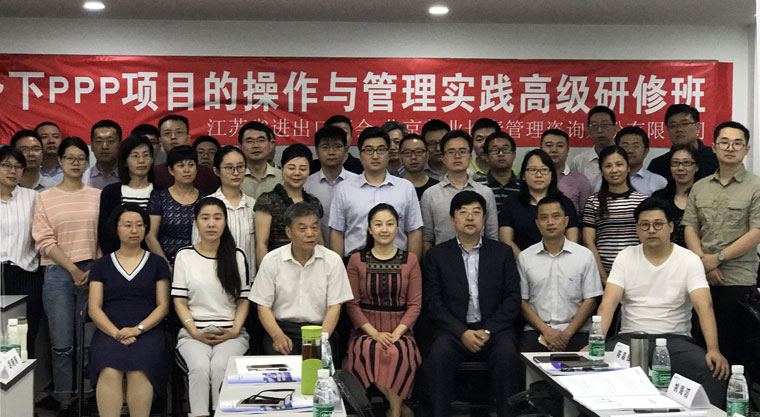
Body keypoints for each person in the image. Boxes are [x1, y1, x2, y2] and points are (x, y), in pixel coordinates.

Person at [592, 198, 730, 407]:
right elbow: (608, 305)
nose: (651, 230)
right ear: (637, 229)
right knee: (592, 368)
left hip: (676, 341)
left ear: (671, 227)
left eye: (658, 224)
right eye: (644, 225)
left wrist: (713, 349)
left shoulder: (689, 259)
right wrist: (595, 343)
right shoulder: (625, 257)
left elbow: (704, 306)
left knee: (713, 369)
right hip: (630, 339)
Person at [423, 191, 522, 417]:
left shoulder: (502, 253)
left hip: (494, 330)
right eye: (463, 212)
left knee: (507, 355)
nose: (470, 218)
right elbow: (434, 303)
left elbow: (512, 299)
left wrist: (488, 330)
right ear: (452, 219)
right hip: (453, 331)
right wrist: (462, 332)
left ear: (484, 219)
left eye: (476, 212)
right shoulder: (437, 255)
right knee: (438, 355)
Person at [683, 121, 760, 370]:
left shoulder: (756, 187)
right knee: (699, 345)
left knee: (734, 350)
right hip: (701, 276)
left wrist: (718, 259)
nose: (730, 147)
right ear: (714, 147)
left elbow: (757, 232)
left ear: (747, 149)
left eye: (737, 143)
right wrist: (703, 262)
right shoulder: (699, 186)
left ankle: (735, 395)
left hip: (737, 279)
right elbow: (690, 227)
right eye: (724, 142)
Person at [32, 136, 101, 415]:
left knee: (89, 340)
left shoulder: (97, 196)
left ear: (87, 162)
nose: (76, 163)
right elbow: (44, 240)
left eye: (81, 158)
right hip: (58, 273)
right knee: (61, 342)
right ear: (60, 161)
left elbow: (104, 237)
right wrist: (73, 269)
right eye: (70, 158)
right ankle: (64, 395)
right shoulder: (45, 198)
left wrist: (93, 268)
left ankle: (87, 392)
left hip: (93, 271)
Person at [88, 204, 170, 417]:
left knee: (140, 369)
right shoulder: (101, 265)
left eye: (139, 225)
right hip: (109, 332)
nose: (134, 230)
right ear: (116, 228)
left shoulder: (157, 263)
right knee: (109, 369)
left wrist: (137, 329)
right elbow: (94, 308)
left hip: (148, 331)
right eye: (127, 225)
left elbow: (163, 306)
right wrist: (116, 333)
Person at [172, 197, 251, 417]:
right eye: (205, 218)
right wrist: (194, 331)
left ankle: (221, 413)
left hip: (231, 333)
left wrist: (234, 330)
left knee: (220, 366)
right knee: (199, 367)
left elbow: (243, 300)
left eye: (217, 218)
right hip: (193, 333)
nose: (211, 224)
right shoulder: (184, 256)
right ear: (196, 222)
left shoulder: (237, 256)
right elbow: (179, 301)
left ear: (225, 222)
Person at [344, 203, 421, 417]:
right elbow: (352, 304)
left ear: (397, 228)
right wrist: (375, 334)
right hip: (365, 331)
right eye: (378, 224)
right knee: (371, 350)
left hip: (401, 331)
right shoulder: (356, 260)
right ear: (370, 229)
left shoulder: (411, 260)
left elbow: (415, 304)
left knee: (397, 352)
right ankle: (399, 409)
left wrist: (397, 333)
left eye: (390, 224)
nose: (384, 229)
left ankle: (394, 412)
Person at [250, 202, 353, 355]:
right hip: (282, 329)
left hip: (320, 330)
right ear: (289, 232)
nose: (310, 233)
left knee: (319, 362)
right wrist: (277, 336)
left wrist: (319, 340)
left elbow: (334, 307)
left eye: (314, 227)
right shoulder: (272, 260)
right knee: (279, 359)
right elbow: (263, 306)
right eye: (303, 229)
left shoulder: (333, 261)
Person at [518, 196, 602, 352]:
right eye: (544, 218)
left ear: (566, 220)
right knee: (523, 356)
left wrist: (566, 335)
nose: (550, 222)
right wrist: (547, 331)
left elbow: (590, 301)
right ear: (537, 223)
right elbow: (522, 302)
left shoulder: (584, 256)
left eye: (556, 216)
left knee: (588, 358)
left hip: (577, 330)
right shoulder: (525, 257)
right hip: (538, 330)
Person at [329, 127, 424, 260]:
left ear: (389, 153)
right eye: (368, 150)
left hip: (398, 263)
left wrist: (411, 266)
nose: (375, 156)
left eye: (381, 150)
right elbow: (337, 231)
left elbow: (414, 231)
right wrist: (338, 268)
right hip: (355, 263)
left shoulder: (405, 188)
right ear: (360, 154)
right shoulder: (344, 188)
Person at [421, 130, 499, 252]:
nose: (457, 156)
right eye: (451, 152)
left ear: (470, 157)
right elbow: (427, 238)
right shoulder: (430, 194)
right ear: (443, 158)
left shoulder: (486, 193)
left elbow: (492, 235)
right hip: (442, 260)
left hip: (480, 258)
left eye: (462, 151)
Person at [0, 146, 44, 360]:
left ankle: (22, 381)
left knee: (23, 337)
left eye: (18, 166)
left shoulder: (33, 197)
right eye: (6, 165)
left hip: (25, 274)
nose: (13, 171)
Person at [582, 145, 647, 281]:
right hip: (602, 276)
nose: (614, 170)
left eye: (619, 164)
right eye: (608, 166)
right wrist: (604, 279)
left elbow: (647, 241)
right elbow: (588, 242)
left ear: (628, 167)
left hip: (637, 276)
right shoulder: (593, 202)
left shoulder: (642, 202)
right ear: (601, 170)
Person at [499, 149, 579, 256]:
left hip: (561, 262)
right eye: (532, 170)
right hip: (521, 262)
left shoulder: (565, 203)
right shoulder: (511, 203)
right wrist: (525, 261)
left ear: (552, 175)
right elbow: (506, 240)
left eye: (544, 170)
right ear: (523, 175)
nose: (538, 175)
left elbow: (572, 242)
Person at [254, 144, 323, 266]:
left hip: (310, 267)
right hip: (277, 267)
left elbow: (318, 242)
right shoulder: (267, 201)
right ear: (282, 169)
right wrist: (265, 273)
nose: (297, 173)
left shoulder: (313, 202)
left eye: (303, 169)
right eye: (291, 168)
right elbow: (261, 244)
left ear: (309, 171)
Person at [192, 146, 256, 276]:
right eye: (229, 167)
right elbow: (197, 244)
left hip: (248, 279)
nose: (236, 173)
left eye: (240, 167)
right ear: (216, 171)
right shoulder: (206, 205)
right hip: (212, 277)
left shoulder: (254, 205)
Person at [98, 135, 156, 255]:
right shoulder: (110, 192)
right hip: (118, 258)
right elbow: (105, 233)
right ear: (125, 161)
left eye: (146, 155)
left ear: (152, 159)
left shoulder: (161, 192)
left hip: (152, 259)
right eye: (135, 156)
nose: (141, 161)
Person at [304, 125, 358, 248]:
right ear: (317, 151)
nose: (331, 152)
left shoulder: (358, 183)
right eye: (325, 147)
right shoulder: (306, 185)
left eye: (337, 146)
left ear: (345, 149)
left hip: (352, 253)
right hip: (316, 251)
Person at [146, 145, 202, 265]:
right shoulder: (159, 197)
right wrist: (166, 266)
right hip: (166, 262)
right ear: (171, 170)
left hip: (198, 262)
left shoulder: (205, 199)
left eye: (191, 165)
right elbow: (150, 236)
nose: (187, 170)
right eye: (181, 166)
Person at [648, 104, 719, 181]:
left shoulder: (716, 158)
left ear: (698, 127)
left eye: (685, 124)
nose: (679, 129)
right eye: (673, 125)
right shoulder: (657, 165)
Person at [153, 115, 220, 194]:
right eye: (167, 133)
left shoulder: (208, 175)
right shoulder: (154, 173)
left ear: (188, 138)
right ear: (160, 140)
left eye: (179, 132)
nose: (173, 137)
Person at [651, 144, 700, 247]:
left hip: (698, 254)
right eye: (675, 163)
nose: (680, 168)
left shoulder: (705, 197)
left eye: (686, 163)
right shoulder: (659, 198)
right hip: (665, 254)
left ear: (696, 167)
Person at [540, 129, 592, 217]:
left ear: (568, 150)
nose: (554, 150)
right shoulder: (533, 178)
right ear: (541, 149)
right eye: (549, 145)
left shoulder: (581, 181)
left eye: (560, 146)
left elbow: (586, 217)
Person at [569, 106, 618, 190]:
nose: (599, 130)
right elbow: (573, 192)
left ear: (615, 129)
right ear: (589, 131)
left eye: (605, 125)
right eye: (594, 126)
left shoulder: (624, 158)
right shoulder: (579, 162)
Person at [474, 131, 521, 215]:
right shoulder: (476, 187)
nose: (501, 154)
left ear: (514, 155)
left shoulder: (523, 187)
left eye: (505, 149)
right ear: (486, 156)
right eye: (495, 150)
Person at [614, 126, 667, 196]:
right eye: (625, 146)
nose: (630, 150)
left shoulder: (658, 182)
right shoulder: (606, 180)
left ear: (646, 151)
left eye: (636, 146)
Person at [238, 121, 282, 199]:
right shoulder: (234, 176)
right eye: (249, 141)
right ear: (240, 147)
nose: (256, 145)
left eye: (261, 140)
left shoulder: (282, 177)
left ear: (270, 145)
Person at [83, 120, 122, 190]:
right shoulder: (83, 179)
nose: (104, 146)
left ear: (120, 145)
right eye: (99, 141)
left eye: (111, 141)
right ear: (92, 146)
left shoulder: (130, 178)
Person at [398, 133, 438, 200]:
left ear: (427, 155)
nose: (413, 157)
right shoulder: (394, 188)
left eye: (418, 152)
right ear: (400, 157)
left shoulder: (437, 188)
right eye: (407, 152)